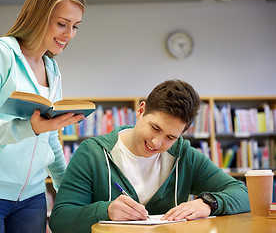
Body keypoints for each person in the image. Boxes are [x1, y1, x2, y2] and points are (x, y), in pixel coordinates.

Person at [0, 0, 85, 232]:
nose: (69, 34)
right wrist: (29, 127)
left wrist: (66, 189)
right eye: (62, 24)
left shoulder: (52, 69)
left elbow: (49, 138)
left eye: (75, 26)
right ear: (39, 16)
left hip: (32, 198)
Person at [49, 79, 250, 233]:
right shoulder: (92, 154)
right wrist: (106, 211)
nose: (157, 143)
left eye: (170, 137)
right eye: (155, 128)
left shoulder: (184, 155)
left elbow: (242, 193)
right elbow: (60, 220)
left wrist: (208, 203)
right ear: (141, 110)